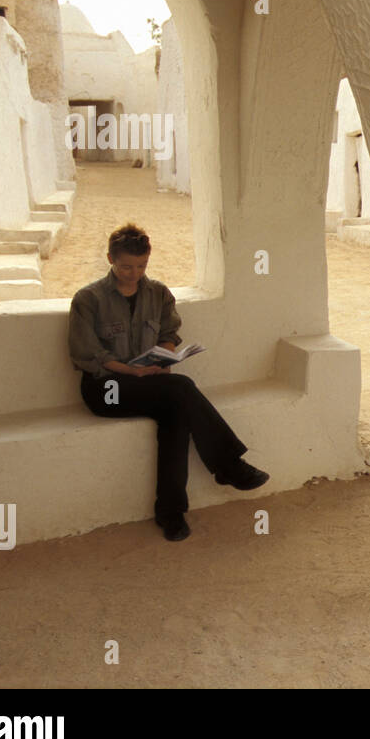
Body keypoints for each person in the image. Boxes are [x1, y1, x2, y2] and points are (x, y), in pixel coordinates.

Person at [68, 223, 268, 541]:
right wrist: (132, 371)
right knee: (182, 389)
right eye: (126, 266)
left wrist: (165, 357)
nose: (134, 273)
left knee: (177, 416)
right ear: (110, 259)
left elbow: (168, 333)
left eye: (141, 265)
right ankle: (228, 467)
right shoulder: (88, 299)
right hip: (106, 389)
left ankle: (171, 513)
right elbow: (88, 354)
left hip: (148, 385)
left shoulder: (158, 293)